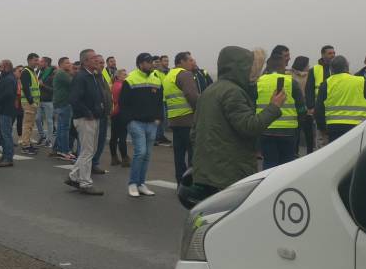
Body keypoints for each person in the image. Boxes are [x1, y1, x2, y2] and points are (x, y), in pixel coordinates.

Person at [185, 46, 285, 208]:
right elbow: (249, 127)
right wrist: (274, 107)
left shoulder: (211, 90)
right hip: (228, 173)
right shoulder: (233, 92)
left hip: (207, 170)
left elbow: (194, 133)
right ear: (240, 67)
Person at [119, 54, 162, 198]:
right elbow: (123, 102)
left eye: (151, 62)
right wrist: (129, 120)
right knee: (141, 152)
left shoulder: (156, 79)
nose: (151, 64)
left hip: (152, 123)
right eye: (148, 62)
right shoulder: (130, 79)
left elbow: (159, 102)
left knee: (147, 155)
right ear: (140, 64)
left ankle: (141, 183)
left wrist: (158, 118)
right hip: (136, 122)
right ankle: (132, 183)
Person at [316, 56, 366, 142]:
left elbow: (319, 109)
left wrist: (323, 128)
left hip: (334, 128)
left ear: (331, 69)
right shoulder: (360, 81)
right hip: (358, 128)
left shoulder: (326, 83)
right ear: (347, 67)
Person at [255, 53, 305, 169]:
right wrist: (298, 126)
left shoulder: (259, 82)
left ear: (267, 67)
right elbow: (301, 108)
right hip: (288, 131)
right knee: (286, 165)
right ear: (283, 67)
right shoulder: (291, 82)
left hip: (265, 129)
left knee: (269, 162)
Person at [65, 49, 104, 194]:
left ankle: (74, 176)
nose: (97, 60)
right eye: (94, 58)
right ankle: (85, 183)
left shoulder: (91, 76)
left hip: (93, 117)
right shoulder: (81, 77)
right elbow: (73, 99)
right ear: (86, 61)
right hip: (85, 119)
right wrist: (87, 112)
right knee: (87, 152)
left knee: (88, 151)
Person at [162, 52, 201, 183]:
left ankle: (180, 181)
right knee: (193, 155)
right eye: (190, 60)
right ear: (181, 62)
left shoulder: (169, 76)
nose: (192, 62)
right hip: (188, 119)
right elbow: (192, 95)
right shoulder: (185, 74)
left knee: (178, 155)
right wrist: (200, 110)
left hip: (174, 120)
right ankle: (191, 182)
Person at [304, 44, 336, 147]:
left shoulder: (337, 68)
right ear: (323, 55)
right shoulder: (314, 70)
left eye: (334, 53)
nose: (333, 55)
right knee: (321, 138)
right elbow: (309, 89)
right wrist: (311, 106)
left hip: (335, 108)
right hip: (319, 109)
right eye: (330, 53)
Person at [90, 55, 112, 175]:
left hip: (104, 114)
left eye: (103, 63)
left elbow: (107, 94)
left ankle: (95, 163)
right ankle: (89, 164)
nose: (102, 65)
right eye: (99, 63)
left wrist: (109, 110)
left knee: (101, 140)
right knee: (93, 142)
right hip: (95, 115)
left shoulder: (102, 76)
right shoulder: (91, 77)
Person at [0, 59, 17, 167]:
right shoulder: (6, 77)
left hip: (6, 110)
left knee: (6, 134)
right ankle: (4, 156)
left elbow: (7, 94)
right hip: (3, 110)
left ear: (6, 67)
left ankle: (8, 158)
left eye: (1, 66)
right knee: (1, 134)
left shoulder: (9, 79)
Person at [50, 58, 75, 160]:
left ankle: (60, 149)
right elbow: (74, 83)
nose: (70, 64)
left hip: (60, 103)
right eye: (67, 63)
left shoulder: (61, 73)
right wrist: (72, 72)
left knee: (61, 128)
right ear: (61, 64)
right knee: (64, 128)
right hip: (64, 103)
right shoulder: (62, 74)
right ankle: (64, 151)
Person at [291, 55, 315, 156]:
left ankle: (310, 153)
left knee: (309, 134)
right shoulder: (289, 75)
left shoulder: (310, 75)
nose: (308, 66)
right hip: (295, 108)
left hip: (307, 108)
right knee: (296, 133)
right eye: (307, 64)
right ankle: (294, 153)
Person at [19, 53, 41, 154]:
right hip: (29, 102)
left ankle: (27, 143)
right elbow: (26, 88)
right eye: (35, 60)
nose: (37, 62)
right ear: (29, 60)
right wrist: (31, 101)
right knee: (28, 124)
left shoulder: (33, 72)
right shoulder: (26, 72)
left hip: (33, 102)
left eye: (38, 60)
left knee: (30, 124)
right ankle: (25, 146)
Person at [108, 68, 129, 167]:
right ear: (118, 76)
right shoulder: (122, 86)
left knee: (114, 137)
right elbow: (123, 101)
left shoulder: (113, 85)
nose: (126, 76)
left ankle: (114, 157)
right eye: (124, 75)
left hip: (114, 113)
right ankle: (125, 158)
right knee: (122, 137)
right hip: (121, 112)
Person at [35, 56, 56, 148]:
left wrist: (42, 86)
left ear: (46, 63)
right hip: (39, 100)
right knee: (37, 119)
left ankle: (49, 140)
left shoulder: (52, 74)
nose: (39, 63)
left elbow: (54, 90)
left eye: (41, 61)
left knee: (49, 121)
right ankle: (43, 136)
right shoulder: (39, 72)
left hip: (49, 101)